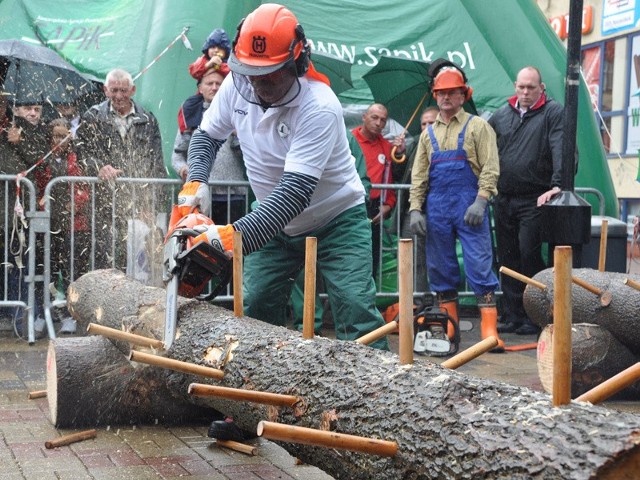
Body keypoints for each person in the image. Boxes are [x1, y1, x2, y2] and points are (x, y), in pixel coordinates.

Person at [178, 3, 388, 352]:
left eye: (272, 73)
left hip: (336, 217)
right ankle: (257, 392)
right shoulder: (235, 84)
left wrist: (230, 238)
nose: (260, 83)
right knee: (255, 304)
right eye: (252, 72)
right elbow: (206, 136)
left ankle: (377, 395)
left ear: (296, 63)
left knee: (355, 306)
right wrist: (196, 182)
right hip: (272, 218)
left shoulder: (318, 106)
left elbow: (293, 194)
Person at [409, 64, 504, 352]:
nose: (446, 98)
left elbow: (490, 166)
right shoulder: (428, 135)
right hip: (437, 206)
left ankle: (489, 329)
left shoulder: (478, 126)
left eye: (452, 92)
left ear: (464, 95)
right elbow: (419, 174)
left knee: (479, 264)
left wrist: (481, 199)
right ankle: (449, 327)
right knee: (441, 267)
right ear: (435, 96)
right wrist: (415, 208)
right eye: (441, 93)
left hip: (469, 204)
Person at [488, 66, 563, 336]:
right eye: (521, 87)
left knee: (529, 254)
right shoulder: (501, 115)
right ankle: (511, 315)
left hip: (534, 197)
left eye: (531, 87)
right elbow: (482, 148)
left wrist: (557, 185)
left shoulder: (552, 112)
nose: (526, 92)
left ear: (541, 88)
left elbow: (561, 147)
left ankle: (535, 315)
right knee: (507, 258)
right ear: (515, 86)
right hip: (504, 197)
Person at [76, 68, 166, 276]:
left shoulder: (147, 119)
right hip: (104, 204)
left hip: (138, 203)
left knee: (139, 262)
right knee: (105, 256)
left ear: (132, 90)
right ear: (105, 90)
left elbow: (157, 166)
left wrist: (151, 204)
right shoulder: (92, 116)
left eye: (123, 91)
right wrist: (99, 167)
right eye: (114, 90)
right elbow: (82, 153)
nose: (118, 96)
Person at [172, 67, 248, 225]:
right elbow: (176, 156)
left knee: (229, 245)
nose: (214, 87)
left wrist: (239, 137)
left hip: (233, 195)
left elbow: (253, 157)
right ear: (200, 88)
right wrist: (184, 169)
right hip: (198, 195)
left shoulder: (239, 115)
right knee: (199, 242)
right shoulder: (189, 117)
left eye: (219, 83)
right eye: (210, 83)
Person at [348, 103, 405, 278]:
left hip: (373, 209)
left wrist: (388, 205)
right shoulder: (349, 139)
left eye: (383, 120)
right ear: (364, 117)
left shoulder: (388, 148)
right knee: (347, 256)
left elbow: (392, 180)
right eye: (374, 117)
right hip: (348, 207)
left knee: (371, 259)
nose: (379, 123)